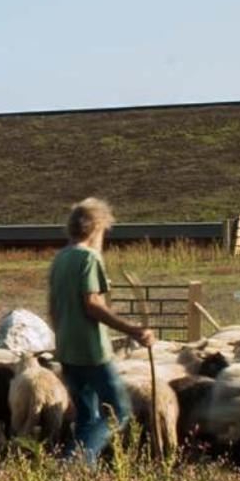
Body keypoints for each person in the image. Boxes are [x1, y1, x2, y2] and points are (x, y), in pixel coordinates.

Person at [48, 198, 155, 466]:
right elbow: (93, 304)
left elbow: (53, 306)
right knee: (118, 412)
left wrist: (61, 336)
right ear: (97, 227)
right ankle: (73, 461)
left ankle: (84, 475)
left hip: (67, 349)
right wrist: (134, 330)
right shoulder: (89, 257)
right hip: (92, 350)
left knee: (87, 416)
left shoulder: (60, 259)